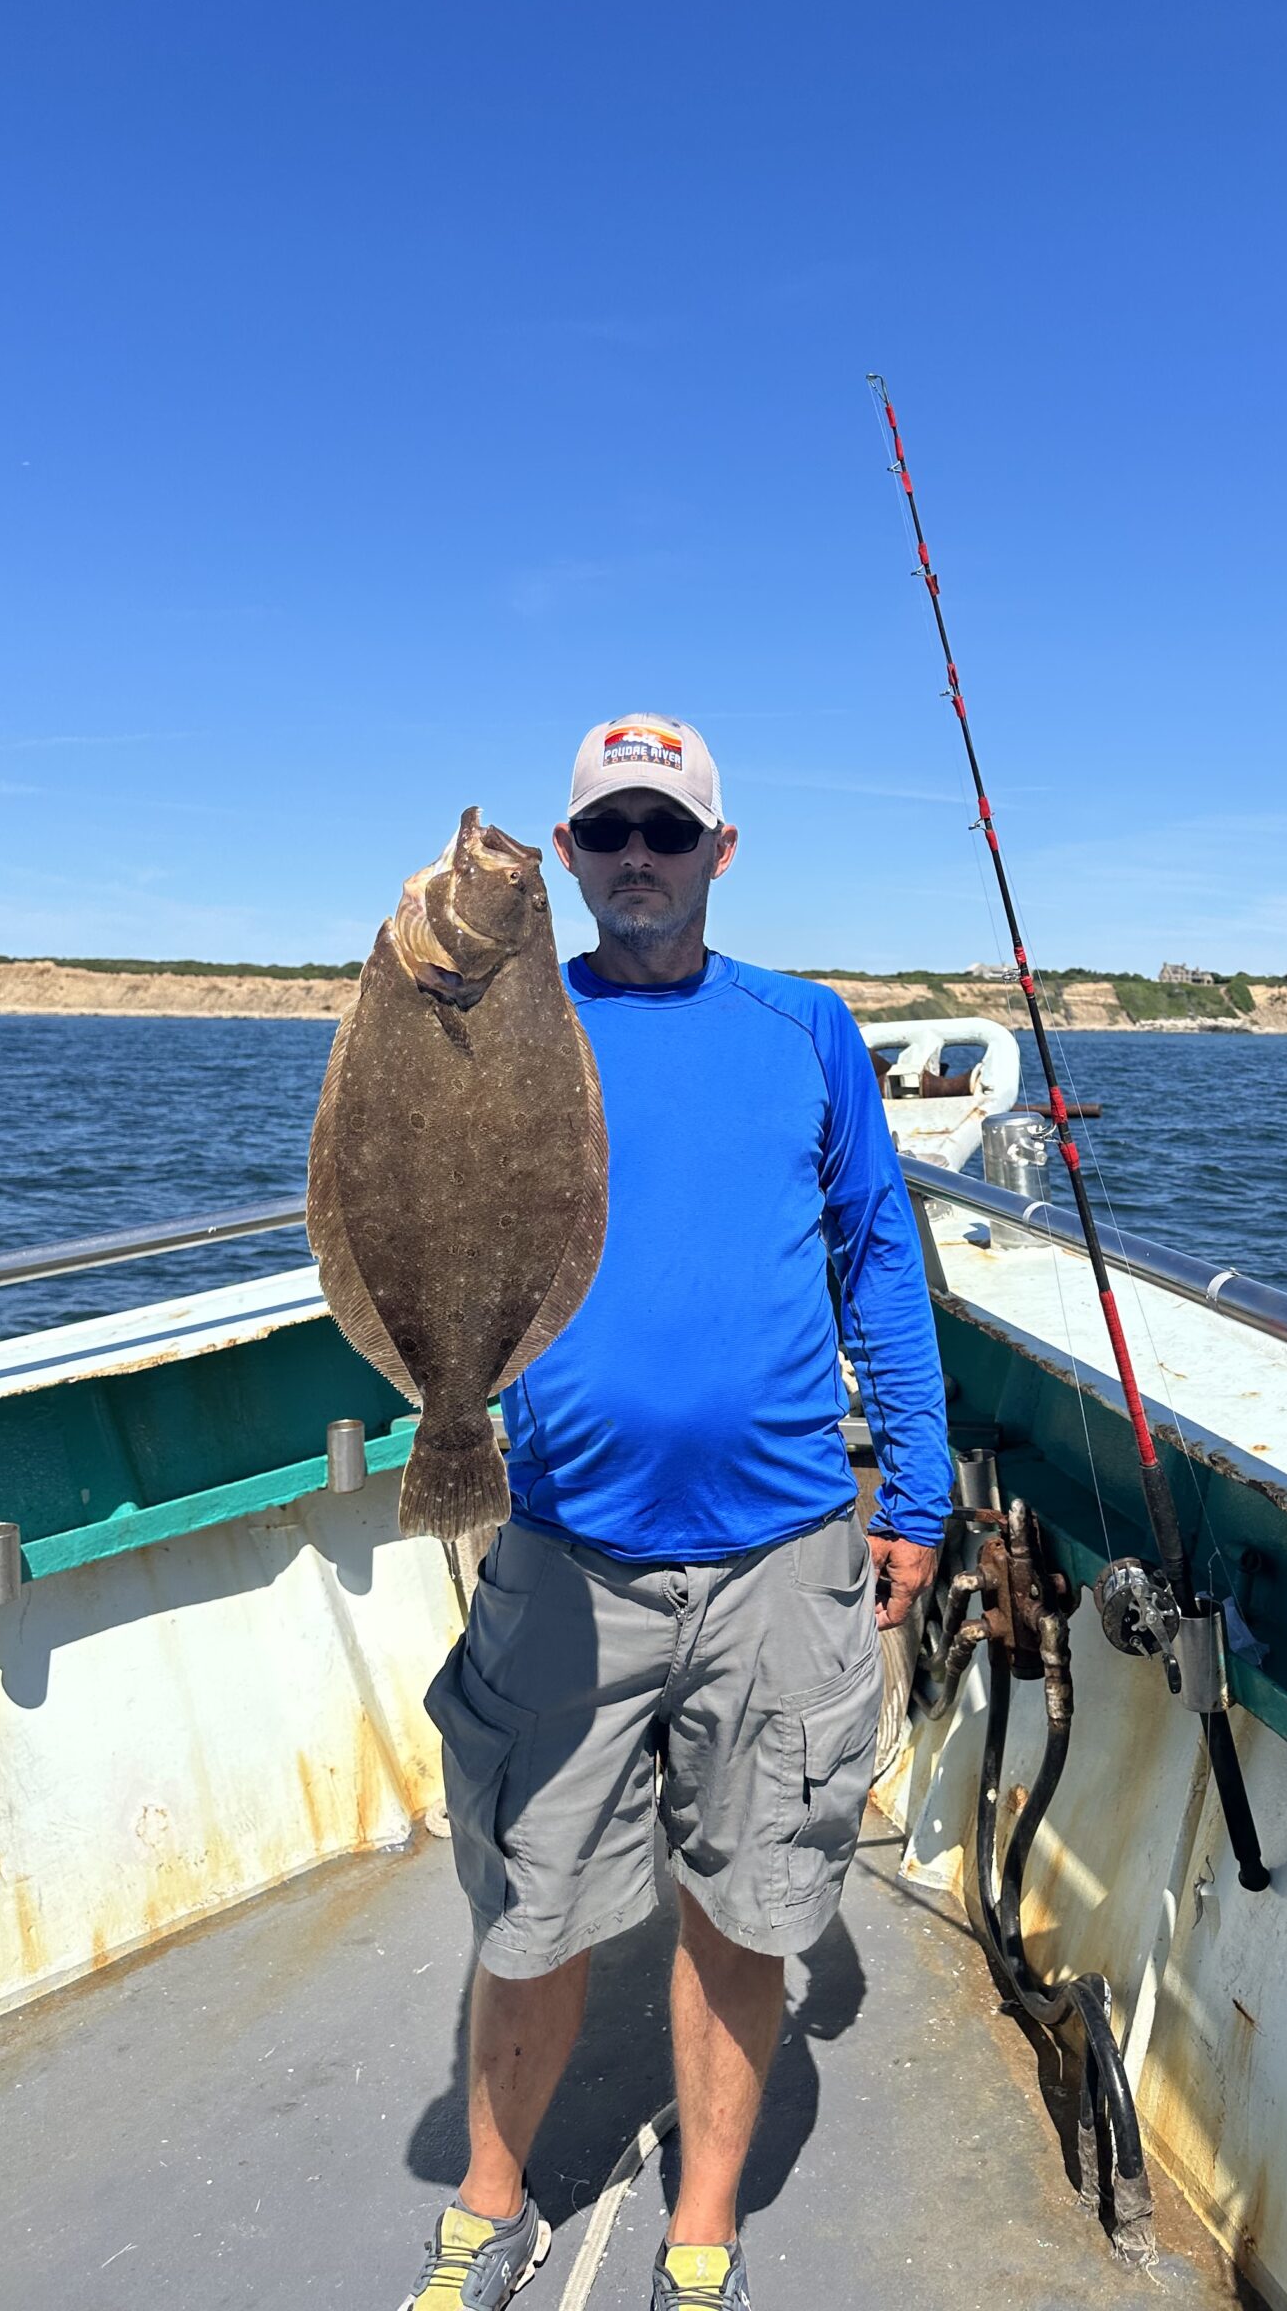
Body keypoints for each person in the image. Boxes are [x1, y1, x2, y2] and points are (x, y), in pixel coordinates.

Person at [406, 713, 950, 2311]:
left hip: (786, 1550)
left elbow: (876, 1262)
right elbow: (409, 1186)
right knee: (531, 1911)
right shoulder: (504, 1027)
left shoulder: (807, 1031)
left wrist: (914, 1488)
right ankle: (486, 2211)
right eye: (606, 831)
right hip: (564, 1549)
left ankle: (701, 2230)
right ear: (566, 859)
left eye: (665, 828)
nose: (634, 856)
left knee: (748, 1908)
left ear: (720, 852)